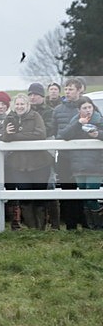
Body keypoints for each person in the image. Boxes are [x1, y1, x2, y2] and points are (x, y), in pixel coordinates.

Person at [0, 94, 53, 230]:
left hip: (39, 163)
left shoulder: (35, 116)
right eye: (17, 104)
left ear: (27, 105)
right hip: (18, 164)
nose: (19, 107)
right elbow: (4, 138)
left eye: (22, 104)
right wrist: (7, 134)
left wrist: (16, 136)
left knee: (40, 194)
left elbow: (40, 134)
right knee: (24, 194)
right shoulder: (9, 118)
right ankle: (31, 228)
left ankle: (41, 227)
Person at [58, 95, 103, 230]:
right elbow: (64, 135)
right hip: (78, 164)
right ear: (79, 110)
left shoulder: (100, 121)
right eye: (84, 108)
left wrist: (98, 135)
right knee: (83, 195)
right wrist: (78, 123)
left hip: (96, 164)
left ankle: (98, 226)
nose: (88, 110)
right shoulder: (74, 122)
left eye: (90, 107)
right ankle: (89, 226)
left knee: (91, 195)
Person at [52, 78, 86, 230]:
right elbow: (54, 132)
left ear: (80, 90)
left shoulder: (87, 107)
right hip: (65, 156)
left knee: (83, 188)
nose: (67, 92)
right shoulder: (58, 110)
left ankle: (86, 223)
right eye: (66, 89)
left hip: (83, 156)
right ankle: (70, 225)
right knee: (67, 188)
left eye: (71, 89)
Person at [27, 82, 60, 229]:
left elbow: (48, 129)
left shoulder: (49, 111)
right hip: (31, 154)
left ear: (41, 96)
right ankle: (36, 224)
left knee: (50, 184)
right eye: (30, 95)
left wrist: (30, 134)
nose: (32, 97)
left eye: (34, 94)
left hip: (46, 151)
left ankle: (55, 224)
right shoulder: (26, 111)